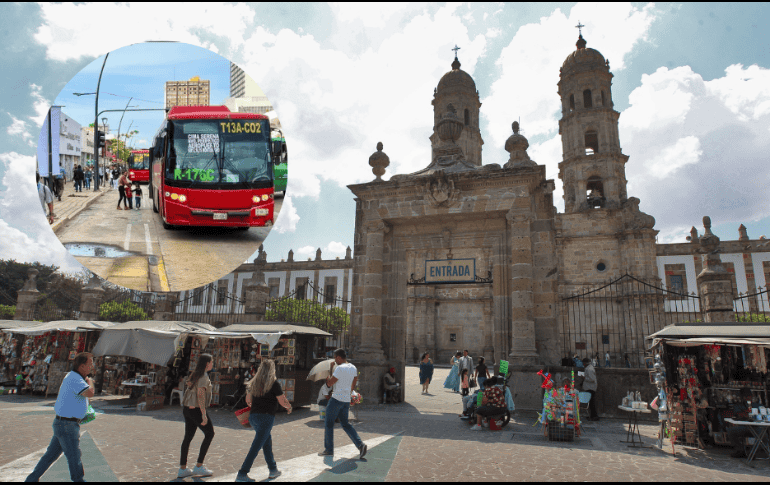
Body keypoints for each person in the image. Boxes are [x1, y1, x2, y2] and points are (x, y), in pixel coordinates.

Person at [25, 352, 95, 482]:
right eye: (90, 364)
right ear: (82, 366)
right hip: (67, 425)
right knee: (74, 456)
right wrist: (90, 380)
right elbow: (90, 393)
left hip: (63, 424)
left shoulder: (75, 377)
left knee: (50, 456)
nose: (92, 367)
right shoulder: (75, 378)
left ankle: (32, 479)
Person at [236, 359, 291, 482]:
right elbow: (282, 400)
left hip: (254, 417)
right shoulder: (274, 383)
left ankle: (273, 469)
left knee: (266, 443)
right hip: (266, 417)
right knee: (256, 447)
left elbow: (248, 400)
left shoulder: (254, 382)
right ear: (272, 370)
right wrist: (289, 407)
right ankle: (242, 473)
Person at [319, 349, 367, 459]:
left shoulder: (339, 368)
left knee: (328, 423)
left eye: (335, 358)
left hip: (336, 399)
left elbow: (330, 383)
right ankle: (360, 445)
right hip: (345, 400)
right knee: (345, 424)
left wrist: (328, 378)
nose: (335, 360)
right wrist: (349, 394)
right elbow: (353, 384)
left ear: (339, 357)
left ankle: (329, 450)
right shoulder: (353, 368)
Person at [178, 353, 215, 479]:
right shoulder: (203, 376)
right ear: (206, 364)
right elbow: (201, 395)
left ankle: (182, 468)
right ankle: (199, 466)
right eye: (211, 362)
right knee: (210, 433)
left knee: (188, 437)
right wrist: (204, 414)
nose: (212, 364)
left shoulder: (195, 374)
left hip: (187, 409)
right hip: (196, 410)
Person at [728, 387, 754, 458]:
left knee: (762, 433)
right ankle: (740, 450)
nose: (747, 398)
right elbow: (738, 414)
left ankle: (753, 452)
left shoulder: (756, 404)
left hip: (757, 428)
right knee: (731, 431)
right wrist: (747, 414)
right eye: (745, 396)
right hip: (744, 428)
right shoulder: (738, 405)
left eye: (749, 396)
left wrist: (747, 414)